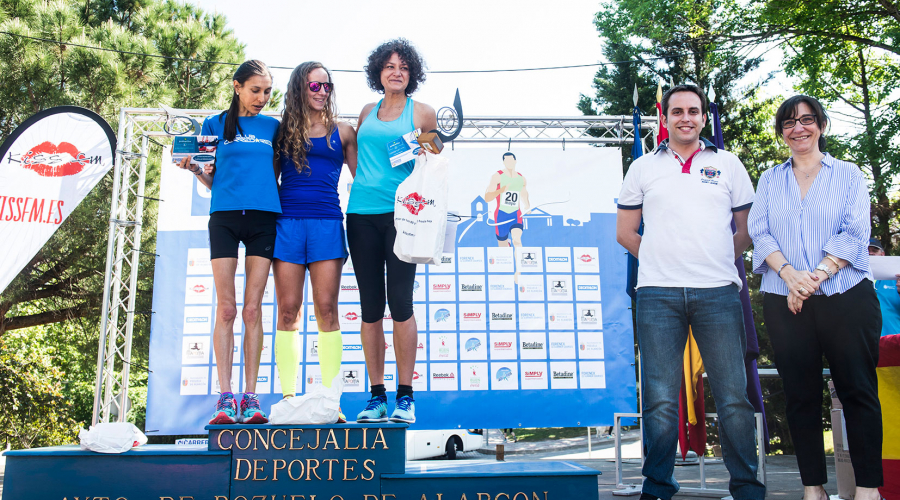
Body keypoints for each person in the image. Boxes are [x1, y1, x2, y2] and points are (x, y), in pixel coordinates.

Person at [616, 84, 765, 500]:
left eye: (694, 111)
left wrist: (713, 259)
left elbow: (746, 231)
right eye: (677, 111)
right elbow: (625, 233)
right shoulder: (643, 167)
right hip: (657, 295)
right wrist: (665, 259)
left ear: (703, 118)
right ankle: (658, 486)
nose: (686, 117)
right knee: (660, 399)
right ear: (664, 118)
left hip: (718, 293)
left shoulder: (730, 164)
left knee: (733, 396)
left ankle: (747, 487)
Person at [748, 95, 883, 500]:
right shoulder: (770, 179)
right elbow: (760, 231)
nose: (798, 128)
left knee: (857, 390)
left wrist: (817, 276)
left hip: (845, 294)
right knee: (800, 395)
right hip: (784, 297)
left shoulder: (848, 175)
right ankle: (813, 489)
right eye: (789, 123)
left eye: (807, 120)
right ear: (781, 132)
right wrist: (791, 277)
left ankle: (867, 489)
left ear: (821, 125)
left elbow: (854, 230)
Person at [177, 60, 280, 425]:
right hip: (223, 217)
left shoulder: (273, 126)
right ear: (237, 86)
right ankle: (225, 398)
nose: (262, 98)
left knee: (252, 310)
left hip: (264, 218)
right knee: (226, 309)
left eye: (267, 91)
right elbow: (213, 180)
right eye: (255, 90)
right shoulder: (214, 124)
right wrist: (195, 170)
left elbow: (277, 174)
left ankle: (250, 399)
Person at [348, 38, 437, 424]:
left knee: (400, 303)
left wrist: (424, 152)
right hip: (360, 214)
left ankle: (405, 396)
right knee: (370, 307)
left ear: (411, 73)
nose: (396, 72)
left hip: (404, 217)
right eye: (388, 66)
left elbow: (434, 165)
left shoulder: (424, 113)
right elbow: (358, 160)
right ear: (378, 73)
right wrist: (367, 184)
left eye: (403, 66)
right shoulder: (367, 111)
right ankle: (376, 396)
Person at [271, 62, 358, 422]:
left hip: (327, 224)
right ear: (299, 88)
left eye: (327, 86)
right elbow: (265, 180)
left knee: (327, 311)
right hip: (287, 224)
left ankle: (330, 399)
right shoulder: (280, 133)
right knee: (288, 311)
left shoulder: (344, 132)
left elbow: (366, 178)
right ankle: (290, 397)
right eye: (314, 85)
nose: (322, 92)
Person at [869, 237, 900, 337]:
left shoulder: (895, 278)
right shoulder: (852, 280)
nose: (870, 253)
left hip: (892, 339)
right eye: (866, 250)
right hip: (864, 342)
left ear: (882, 254)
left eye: (875, 250)